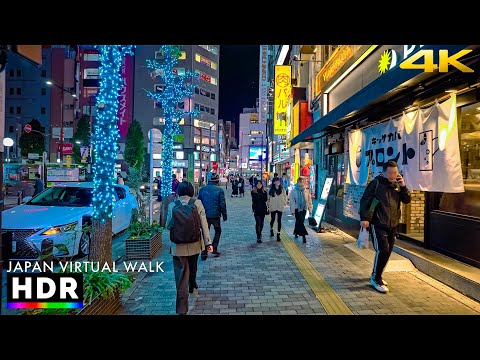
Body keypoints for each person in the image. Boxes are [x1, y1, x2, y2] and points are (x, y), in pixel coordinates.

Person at [359, 160, 411, 294]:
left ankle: (377, 274)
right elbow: (365, 200)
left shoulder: (398, 185)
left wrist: (403, 186)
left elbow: (407, 200)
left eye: (395, 172)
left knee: (388, 251)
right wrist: (364, 218)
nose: (393, 175)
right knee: (382, 250)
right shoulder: (376, 183)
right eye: (391, 172)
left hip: (393, 224)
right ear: (384, 172)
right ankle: (376, 278)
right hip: (378, 223)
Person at [166, 181, 213, 315]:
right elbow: (204, 224)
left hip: (178, 247)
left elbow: (167, 226)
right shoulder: (197, 204)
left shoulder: (172, 205)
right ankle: (192, 284)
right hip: (195, 244)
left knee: (181, 278)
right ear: (192, 191)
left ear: (178, 192)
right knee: (193, 266)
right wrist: (208, 243)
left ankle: (182, 309)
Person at [198, 173, 227, 260]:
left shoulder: (202, 190)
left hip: (204, 215)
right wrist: (224, 214)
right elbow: (222, 204)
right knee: (217, 231)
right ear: (217, 180)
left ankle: (204, 252)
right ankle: (214, 247)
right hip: (215, 215)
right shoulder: (219, 190)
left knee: (204, 232)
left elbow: (198, 202)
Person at [289, 177, 313, 243]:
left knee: (299, 221)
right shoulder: (294, 191)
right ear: (297, 182)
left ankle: (296, 232)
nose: (301, 183)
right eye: (300, 182)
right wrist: (292, 211)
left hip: (304, 208)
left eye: (302, 182)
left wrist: (310, 209)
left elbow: (309, 200)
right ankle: (303, 236)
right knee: (301, 222)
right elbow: (292, 202)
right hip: (297, 209)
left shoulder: (306, 191)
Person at [268, 177, 287, 242]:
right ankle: (271, 229)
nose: (277, 182)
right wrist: (268, 206)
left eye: (278, 181)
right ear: (273, 182)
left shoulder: (282, 189)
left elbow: (285, 197)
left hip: (280, 207)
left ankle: (278, 234)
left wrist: (284, 203)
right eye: (276, 181)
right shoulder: (271, 190)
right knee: (273, 219)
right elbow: (268, 199)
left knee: (279, 220)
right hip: (273, 207)